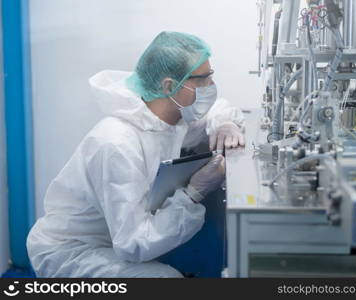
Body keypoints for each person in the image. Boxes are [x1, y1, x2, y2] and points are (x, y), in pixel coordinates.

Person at [27, 31, 245, 277]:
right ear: (169, 86)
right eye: (203, 79)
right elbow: (133, 243)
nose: (211, 87)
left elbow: (217, 110)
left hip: (113, 241)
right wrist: (193, 194)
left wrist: (225, 124)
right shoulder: (117, 144)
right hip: (73, 252)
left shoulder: (169, 119)